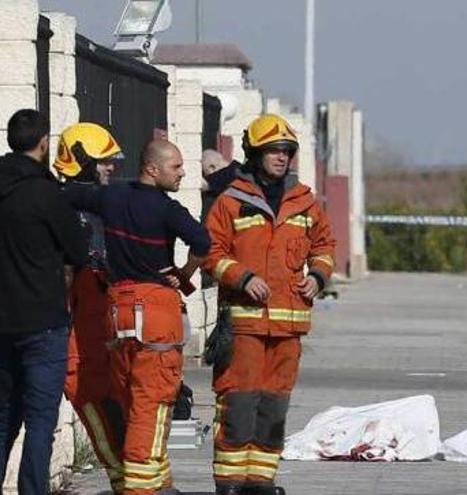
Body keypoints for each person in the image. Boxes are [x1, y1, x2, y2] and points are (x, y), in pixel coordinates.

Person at [67, 139, 211, 495]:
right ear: (153, 168)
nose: (182, 173)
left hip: (117, 313)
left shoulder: (113, 197)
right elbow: (203, 242)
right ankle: (141, 487)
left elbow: (71, 194)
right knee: (153, 404)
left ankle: (159, 483)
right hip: (156, 313)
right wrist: (185, 273)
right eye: (176, 167)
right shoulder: (167, 209)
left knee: (130, 399)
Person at [203, 114, 335, 495]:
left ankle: (261, 480)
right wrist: (242, 278)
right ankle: (230, 481)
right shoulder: (231, 202)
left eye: (286, 151)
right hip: (244, 324)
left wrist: (318, 277)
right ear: (254, 153)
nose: (281, 157)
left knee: (274, 408)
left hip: (289, 327)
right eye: (273, 151)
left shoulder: (305, 202)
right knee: (238, 403)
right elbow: (210, 251)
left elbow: (325, 246)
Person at [0, 109, 88, 493]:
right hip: (43, 321)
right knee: (39, 420)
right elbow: (78, 249)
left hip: (2, 322)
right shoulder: (46, 193)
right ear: (43, 142)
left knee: (4, 415)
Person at [55, 122, 126, 491]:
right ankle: (122, 477)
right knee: (90, 394)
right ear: (81, 161)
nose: (110, 167)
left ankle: (130, 476)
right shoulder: (65, 205)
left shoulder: (99, 203)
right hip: (78, 324)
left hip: (104, 318)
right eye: (103, 161)